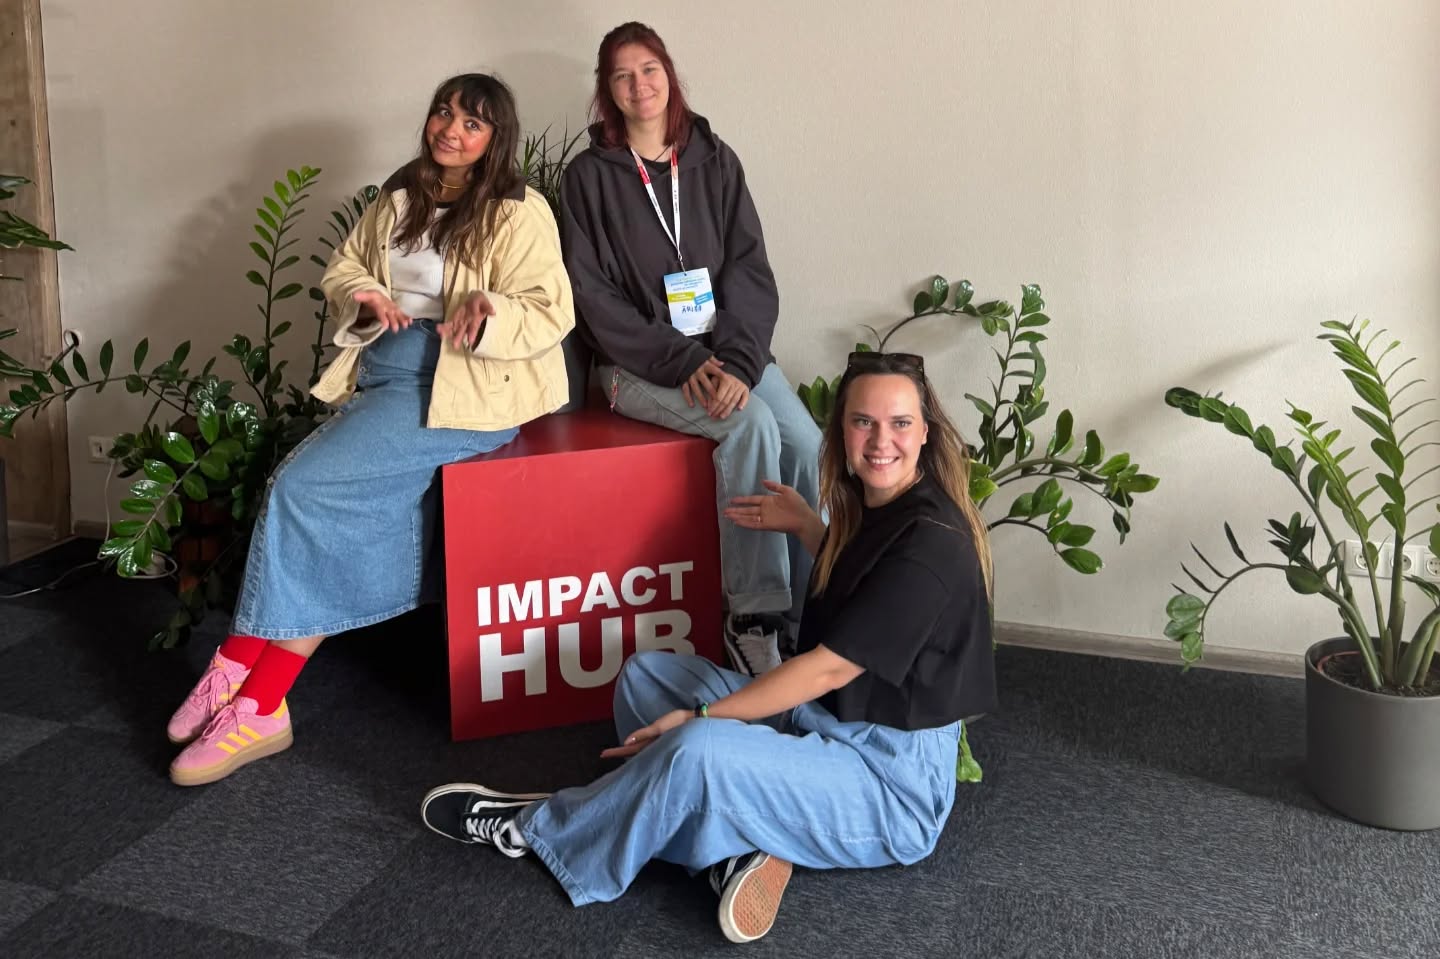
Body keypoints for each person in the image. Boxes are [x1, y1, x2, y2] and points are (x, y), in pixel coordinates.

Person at [419, 351, 996, 944]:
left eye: (900, 423)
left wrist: (702, 717)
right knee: (644, 679)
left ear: (925, 431)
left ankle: (539, 828)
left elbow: (824, 671)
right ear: (842, 428)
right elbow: (866, 584)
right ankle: (734, 847)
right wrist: (807, 526)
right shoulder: (879, 501)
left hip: (887, 785)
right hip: (825, 720)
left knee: (694, 748)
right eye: (863, 421)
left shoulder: (932, 543)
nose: (880, 441)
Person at [164, 74, 575, 786]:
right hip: (385, 370)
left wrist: (490, 310)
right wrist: (365, 294)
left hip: (463, 389)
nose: (451, 130)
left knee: (299, 489)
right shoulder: (401, 193)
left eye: (472, 123)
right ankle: (262, 705)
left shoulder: (518, 208)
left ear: (494, 138)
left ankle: (239, 665)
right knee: (336, 517)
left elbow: (550, 307)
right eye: (444, 113)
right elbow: (346, 267)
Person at [559, 21, 821, 676]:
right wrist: (686, 362)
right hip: (640, 363)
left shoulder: (714, 159)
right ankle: (754, 619)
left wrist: (737, 362)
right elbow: (593, 299)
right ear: (607, 90)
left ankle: (814, 614)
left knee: (807, 444)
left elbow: (750, 272)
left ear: (669, 74)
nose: (639, 85)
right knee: (750, 426)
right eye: (622, 75)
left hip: (725, 351)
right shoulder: (587, 178)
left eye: (649, 69)